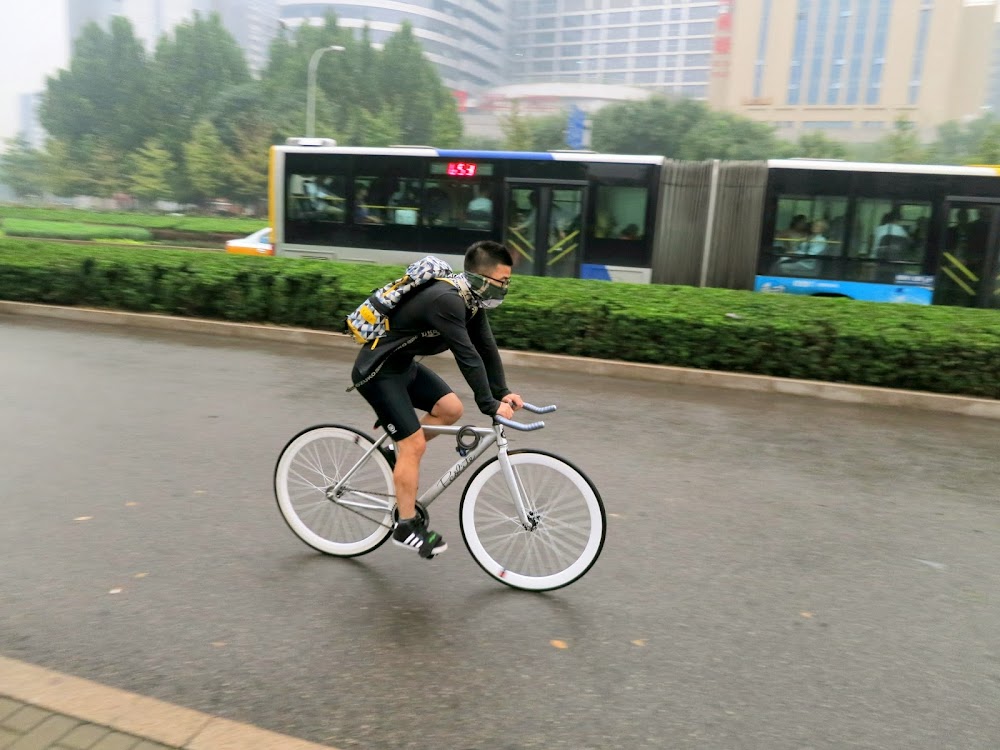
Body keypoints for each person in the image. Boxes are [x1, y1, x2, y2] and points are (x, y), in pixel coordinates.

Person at [349, 240, 523, 559]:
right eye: (502, 281)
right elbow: (467, 356)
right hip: (378, 373)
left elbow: (486, 348)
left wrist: (502, 392)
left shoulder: (470, 301)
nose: (505, 288)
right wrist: (489, 405)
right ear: (481, 277)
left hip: (403, 368)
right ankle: (404, 527)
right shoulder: (447, 300)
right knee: (414, 445)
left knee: (450, 409)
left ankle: (392, 452)